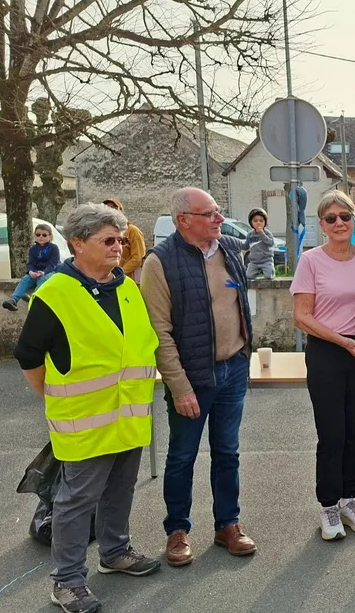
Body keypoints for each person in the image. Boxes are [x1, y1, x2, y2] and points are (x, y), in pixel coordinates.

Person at [14, 202, 161, 613]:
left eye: (120, 239)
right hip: (84, 420)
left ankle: (114, 552)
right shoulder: (55, 292)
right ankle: (66, 582)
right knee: (75, 501)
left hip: (129, 417)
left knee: (119, 489)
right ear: (77, 244)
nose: (118, 247)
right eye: (108, 240)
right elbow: (28, 356)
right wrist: (54, 396)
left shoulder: (125, 286)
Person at [140, 187, 256, 567]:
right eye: (210, 214)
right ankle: (177, 531)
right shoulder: (160, 262)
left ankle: (228, 525)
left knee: (227, 453)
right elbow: (159, 332)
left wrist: (243, 354)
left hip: (233, 369)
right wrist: (180, 387)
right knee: (182, 457)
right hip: (192, 378)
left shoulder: (227, 251)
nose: (219, 219)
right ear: (183, 221)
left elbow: (238, 306)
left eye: (219, 211)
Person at [291, 191, 355, 541]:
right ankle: (328, 505)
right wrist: (342, 341)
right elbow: (301, 317)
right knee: (332, 433)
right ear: (322, 224)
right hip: (328, 351)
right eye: (331, 218)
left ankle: (349, 499)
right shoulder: (311, 261)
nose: (339, 223)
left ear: (354, 219)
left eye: (344, 216)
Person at [3, 223, 60, 310]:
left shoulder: (54, 248)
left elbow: (53, 264)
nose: (41, 237)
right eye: (38, 234)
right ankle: (13, 300)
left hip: (50, 271)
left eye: (44, 235)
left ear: (50, 236)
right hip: (37, 271)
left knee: (43, 278)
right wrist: (31, 272)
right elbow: (31, 263)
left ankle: (34, 298)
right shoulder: (33, 249)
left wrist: (43, 272)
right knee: (26, 278)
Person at [102, 199, 146, 283]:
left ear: (121, 211)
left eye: (114, 207)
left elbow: (138, 257)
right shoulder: (103, 232)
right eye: (107, 208)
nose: (110, 210)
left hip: (129, 279)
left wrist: (120, 272)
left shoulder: (133, 231)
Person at [245, 208, 276, 279]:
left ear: (265, 222)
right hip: (254, 261)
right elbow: (246, 245)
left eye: (261, 221)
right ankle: (258, 271)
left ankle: (271, 271)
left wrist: (262, 234)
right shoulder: (250, 234)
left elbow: (271, 243)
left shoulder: (267, 233)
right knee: (249, 276)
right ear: (251, 223)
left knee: (268, 277)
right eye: (255, 221)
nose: (258, 223)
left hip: (266, 260)